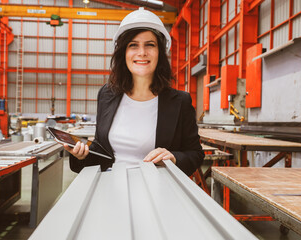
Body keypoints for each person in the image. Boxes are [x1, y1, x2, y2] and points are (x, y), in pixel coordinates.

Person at [64, 7, 204, 176]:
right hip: (111, 183)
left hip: (159, 188)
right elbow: (101, 149)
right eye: (133, 45)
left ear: (160, 52)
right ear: (124, 53)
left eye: (150, 45)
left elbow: (195, 154)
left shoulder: (180, 101)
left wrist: (174, 158)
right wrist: (81, 154)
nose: (142, 53)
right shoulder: (107, 95)